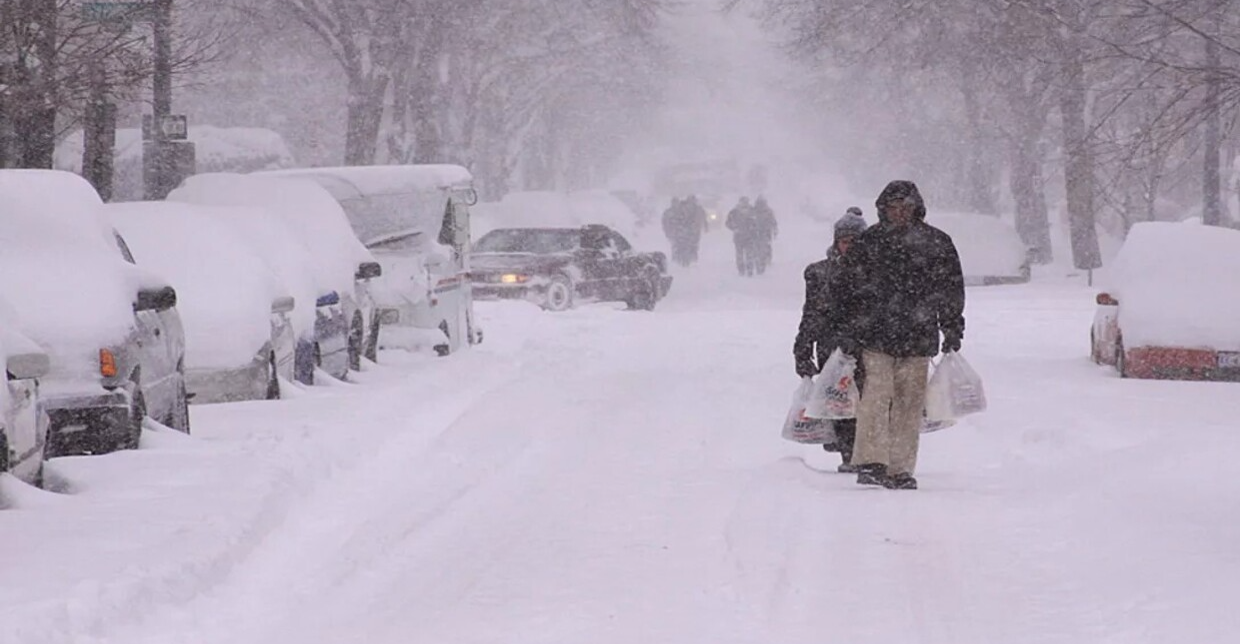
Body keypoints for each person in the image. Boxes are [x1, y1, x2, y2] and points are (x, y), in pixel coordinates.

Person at [833, 181, 965, 490]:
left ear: (916, 209)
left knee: (909, 403)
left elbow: (950, 290)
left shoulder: (936, 243)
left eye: (905, 207)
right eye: (894, 208)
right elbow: (847, 290)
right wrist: (849, 329)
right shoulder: (870, 243)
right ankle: (871, 461)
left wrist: (952, 326)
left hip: (916, 337)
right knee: (876, 398)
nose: (900, 213)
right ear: (884, 209)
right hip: (876, 335)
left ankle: (900, 467)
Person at [793, 207, 868, 471]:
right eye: (845, 241)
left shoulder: (876, 272)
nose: (850, 247)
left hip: (867, 345)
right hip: (832, 347)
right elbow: (811, 313)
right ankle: (849, 454)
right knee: (840, 401)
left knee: (866, 401)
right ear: (836, 242)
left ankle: (863, 452)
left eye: (855, 241)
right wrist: (802, 350)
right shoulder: (819, 273)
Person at [726, 197, 758, 276]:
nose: (744, 204)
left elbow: (758, 222)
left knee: (749, 254)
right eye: (743, 202)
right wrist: (734, 228)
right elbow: (727, 223)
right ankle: (741, 270)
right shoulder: (734, 212)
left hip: (750, 237)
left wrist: (754, 228)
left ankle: (750, 270)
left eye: (746, 202)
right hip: (738, 237)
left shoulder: (752, 211)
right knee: (739, 255)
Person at [752, 196, 779, 274]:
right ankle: (761, 263)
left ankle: (763, 262)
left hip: (764, 233)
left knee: (764, 248)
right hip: (757, 233)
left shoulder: (768, 211)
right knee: (759, 249)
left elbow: (773, 222)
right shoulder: (755, 211)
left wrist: (774, 230)